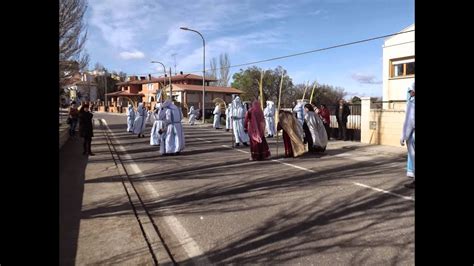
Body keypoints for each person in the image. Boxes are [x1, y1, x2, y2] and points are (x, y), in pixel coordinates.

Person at [401, 83, 415, 189]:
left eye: (410, 91)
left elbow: (409, 122)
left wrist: (404, 137)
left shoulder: (412, 103)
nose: (410, 93)